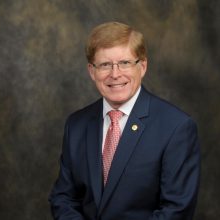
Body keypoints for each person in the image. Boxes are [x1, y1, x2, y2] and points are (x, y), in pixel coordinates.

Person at [49, 21, 200, 220]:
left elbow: (176, 210)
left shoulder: (176, 127)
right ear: (91, 71)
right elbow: (63, 198)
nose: (115, 74)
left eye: (125, 63)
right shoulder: (76, 124)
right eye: (104, 65)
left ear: (143, 66)